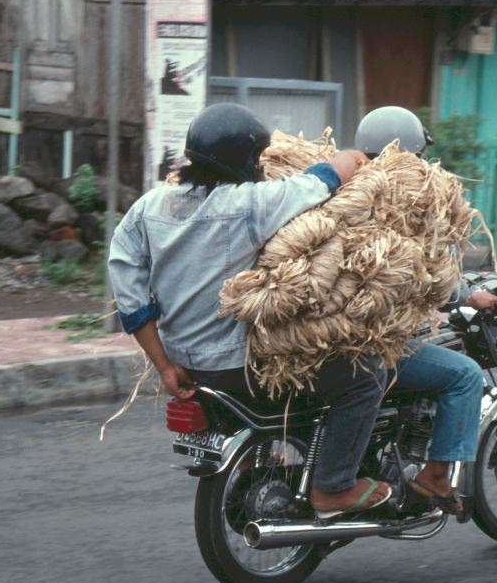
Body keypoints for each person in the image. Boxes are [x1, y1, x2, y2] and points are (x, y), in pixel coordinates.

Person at [108, 103, 393, 519]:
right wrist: (354, 156)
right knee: (366, 377)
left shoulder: (148, 208)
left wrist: (164, 367)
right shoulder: (249, 204)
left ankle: (263, 462)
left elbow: (129, 294)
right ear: (245, 160)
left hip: (184, 365)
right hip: (237, 365)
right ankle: (333, 488)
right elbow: (322, 181)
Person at [354, 106, 497, 514]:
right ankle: (434, 477)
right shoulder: (411, 200)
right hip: (373, 344)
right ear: (415, 152)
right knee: (465, 375)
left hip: (338, 338)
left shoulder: (344, 192)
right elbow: (428, 276)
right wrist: (467, 295)